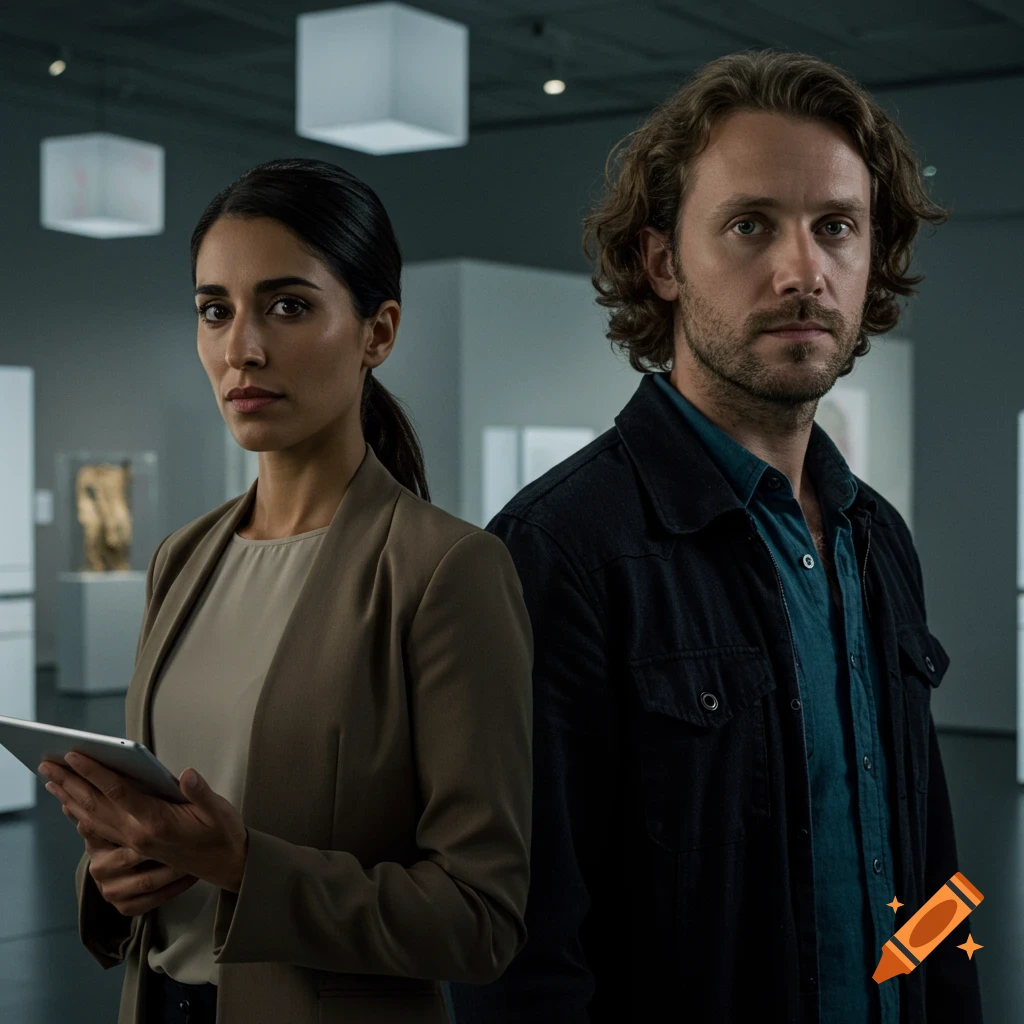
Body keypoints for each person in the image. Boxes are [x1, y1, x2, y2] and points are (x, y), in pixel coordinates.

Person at [448, 49, 982, 1024]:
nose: (800, 270)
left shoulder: (877, 537)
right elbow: (518, 954)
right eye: (749, 226)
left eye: (835, 227)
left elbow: (929, 863)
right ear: (660, 262)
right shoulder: (557, 551)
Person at [38, 158, 534, 1024]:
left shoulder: (447, 571)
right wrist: (114, 872)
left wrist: (244, 868)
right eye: (214, 311)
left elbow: (478, 921)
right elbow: (167, 832)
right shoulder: (182, 559)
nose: (242, 348)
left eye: (288, 305)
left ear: (378, 333)